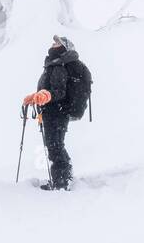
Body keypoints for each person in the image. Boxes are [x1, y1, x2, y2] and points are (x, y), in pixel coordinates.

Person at [22, 35, 92, 191]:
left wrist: (45, 96)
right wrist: (35, 97)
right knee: (55, 145)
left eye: (57, 42)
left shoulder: (59, 66)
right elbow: (50, 89)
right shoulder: (55, 64)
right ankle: (62, 178)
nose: (53, 44)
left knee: (55, 146)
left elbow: (59, 92)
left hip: (56, 112)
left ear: (64, 48)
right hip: (54, 111)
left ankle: (61, 183)